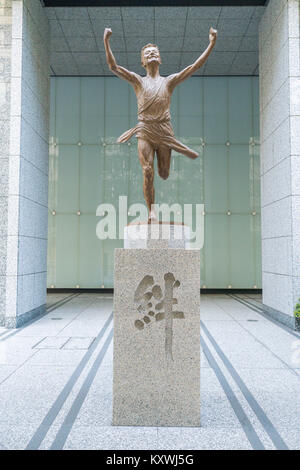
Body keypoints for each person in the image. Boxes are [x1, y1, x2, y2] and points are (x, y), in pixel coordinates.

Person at [103, 27, 217, 221]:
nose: (152, 54)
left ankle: (163, 170)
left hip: (164, 131)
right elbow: (114, 67)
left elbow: (193, 67)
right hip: (145, 130)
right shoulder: (138, 81)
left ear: (160, 59)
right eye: (147, 53)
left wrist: (211, 43)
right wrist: (106, 40)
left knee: (163, 173)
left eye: (155, 52)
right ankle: (151, 211)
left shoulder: (169, 82)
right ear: (143, 61)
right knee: (148, 171)